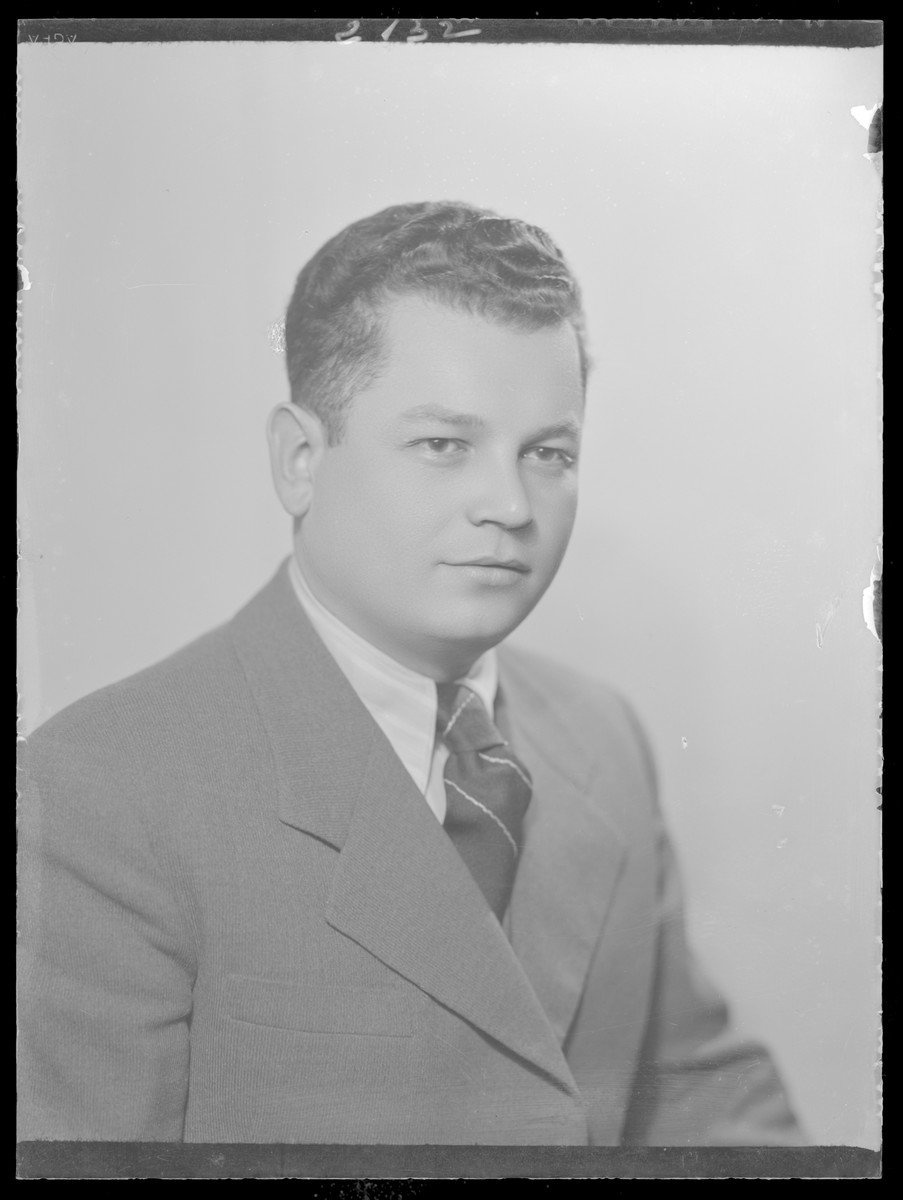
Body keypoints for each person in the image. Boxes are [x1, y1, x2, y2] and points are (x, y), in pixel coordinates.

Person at [18, 201, 804, 1145]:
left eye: (547, 453)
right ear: (301, 460)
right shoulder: (98, 794)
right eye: (444, 445)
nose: (509, 504)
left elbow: (706, 1100)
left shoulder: (603, 738)